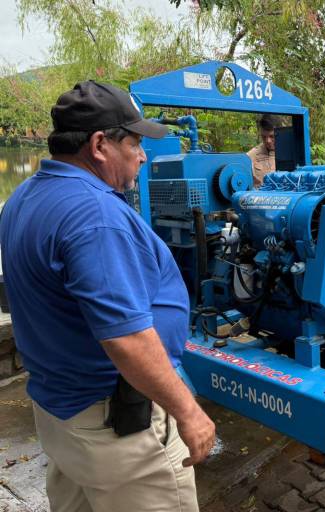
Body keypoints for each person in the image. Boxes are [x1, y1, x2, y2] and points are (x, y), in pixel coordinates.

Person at [0, 81, 215, 512]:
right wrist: (189, 412)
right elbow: (127, 339)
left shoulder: (24, 197)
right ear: (100, 145)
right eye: (134, 143)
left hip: (62, 414)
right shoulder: (95, 215)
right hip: (118, 432)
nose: (142, 155)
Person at [247, 114, 277, 187]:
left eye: (272, 136)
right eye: (264, 137)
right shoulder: (251, 156)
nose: (268, 141)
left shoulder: (291, 153)